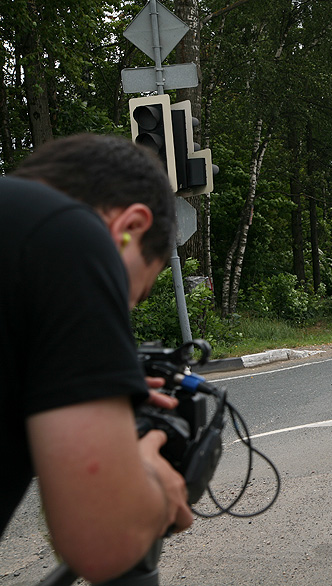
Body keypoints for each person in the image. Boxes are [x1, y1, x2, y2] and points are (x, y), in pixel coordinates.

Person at [0, 134, 193, 583]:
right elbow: (106, 539)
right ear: (130, 226)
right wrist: (151, 475)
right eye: (130, 295)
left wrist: (85, 384)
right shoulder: (69, 235)